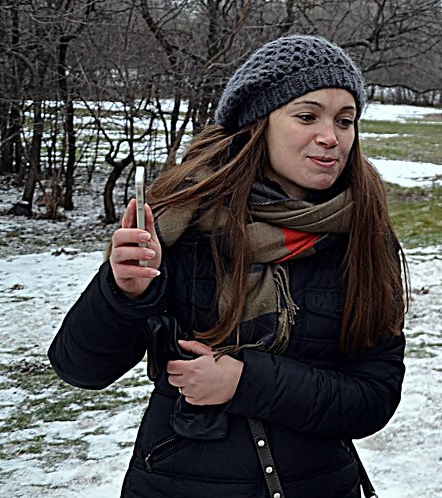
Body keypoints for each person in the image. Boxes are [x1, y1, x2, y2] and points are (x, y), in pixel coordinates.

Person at [49, 35, 407, 498]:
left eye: (345, 121)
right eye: (306, 115)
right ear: (257, 122)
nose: (330, 137)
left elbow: (372, 399)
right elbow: (81, 369)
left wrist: (244, 381)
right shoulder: (181, 224)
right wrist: (124, 294)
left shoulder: (363, 236)